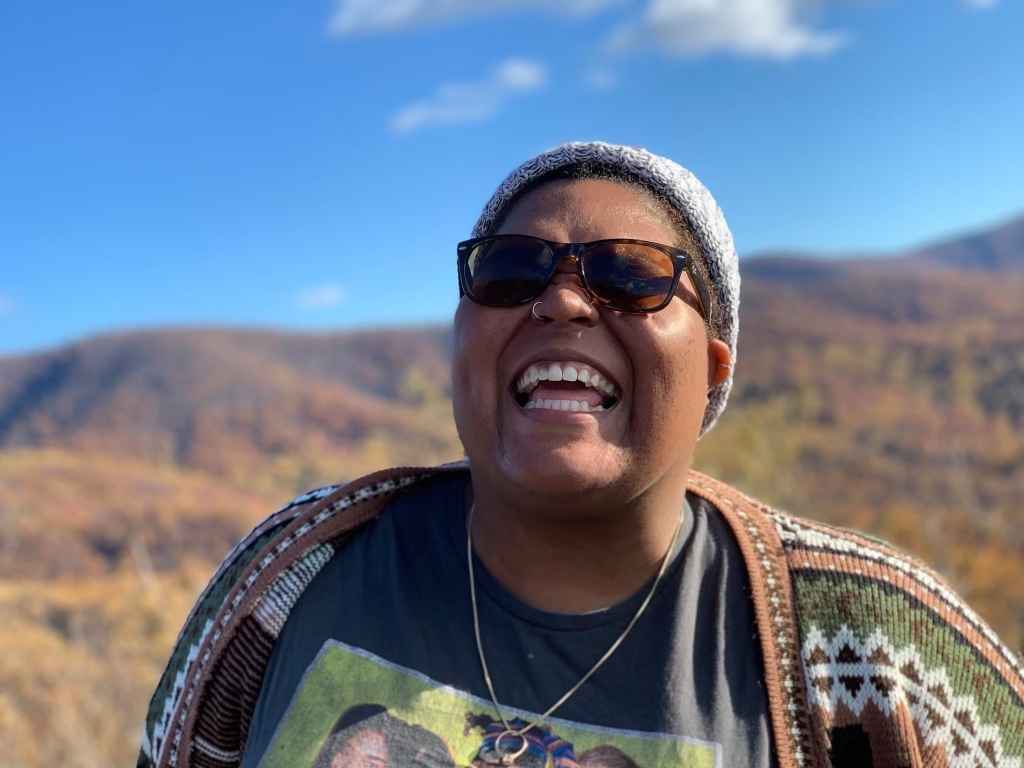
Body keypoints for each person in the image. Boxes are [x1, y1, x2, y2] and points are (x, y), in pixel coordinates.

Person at [137, 142, 1024, 768]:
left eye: (631, 273)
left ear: (714, 366)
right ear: (460, 339)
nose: (561, 302)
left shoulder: (879, 647)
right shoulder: (292, 575)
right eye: (512, 269)